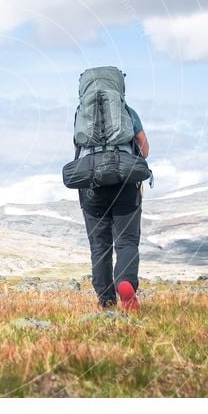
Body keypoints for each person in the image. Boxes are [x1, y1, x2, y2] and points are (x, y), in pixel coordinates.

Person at [78, 104, 149, 313]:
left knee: (99, 246)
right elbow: (144, 150)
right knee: (126, 242)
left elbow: (77, 150)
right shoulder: (127, 111)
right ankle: (125, 283)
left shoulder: (82, 112)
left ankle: (106, 300)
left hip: (92, 186)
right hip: (125, 182)